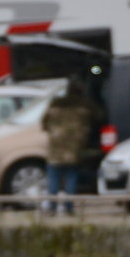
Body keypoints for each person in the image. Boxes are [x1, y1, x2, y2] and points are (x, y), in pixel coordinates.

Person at [41, 78, 98, 215]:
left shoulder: (56, 103)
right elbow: (98, 118)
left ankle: (52, 207)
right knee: (71, 176)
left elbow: (44, 123)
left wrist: (54, 131)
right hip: (74, 147)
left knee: (53, 177)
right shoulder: (85, 105)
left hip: (56, 147)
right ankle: (68, 207)